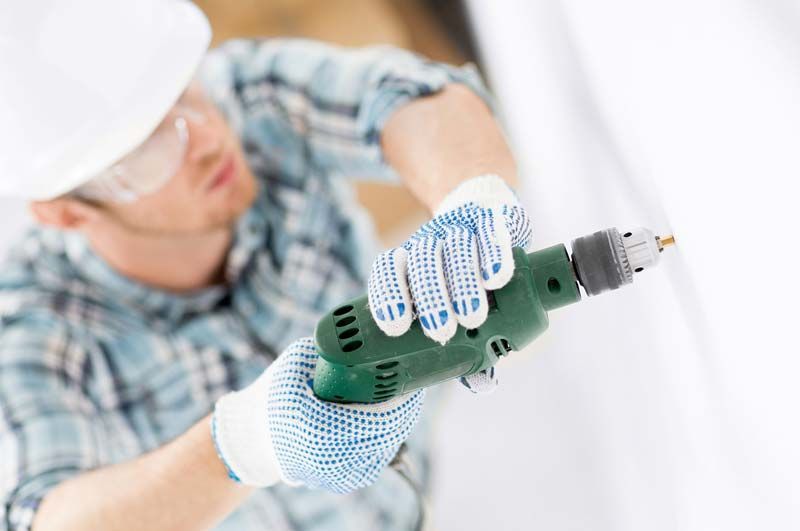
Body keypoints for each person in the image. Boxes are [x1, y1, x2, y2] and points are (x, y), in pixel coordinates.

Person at [0, 1, 530, 529]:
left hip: (416, 486)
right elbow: (50, 520)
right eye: (148, 147)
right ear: (67, 212)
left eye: (184, 89)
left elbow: (412, 98)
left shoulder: (245, 98)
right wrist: (248, 443)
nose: (208, 138)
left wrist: (472, 199)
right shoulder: (33, 332)